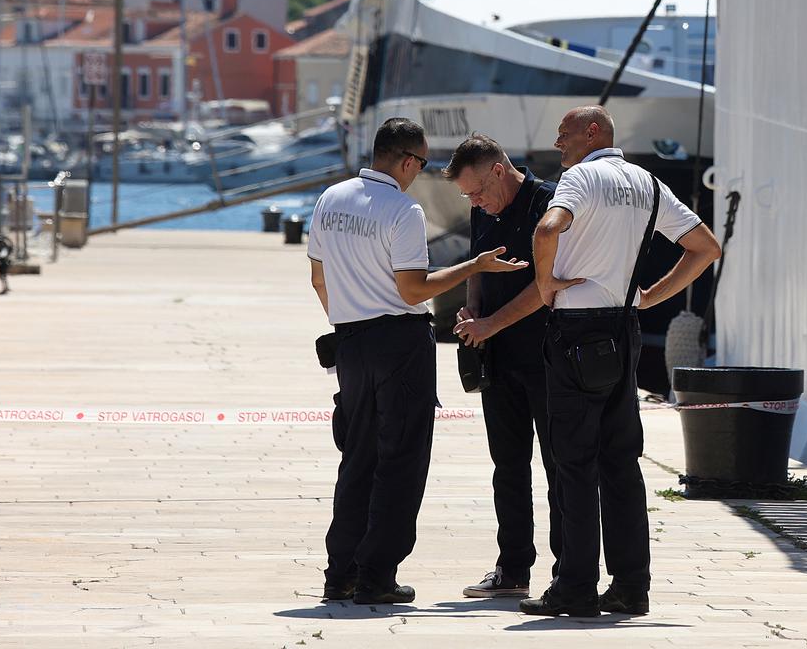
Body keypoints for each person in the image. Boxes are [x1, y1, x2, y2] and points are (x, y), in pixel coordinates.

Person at [309, 117, 525, 606]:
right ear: (408, 161)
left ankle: (339, 570)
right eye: (422, 164)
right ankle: (377, 575)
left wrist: (350, 322)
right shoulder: (403, 210)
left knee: (357, 456)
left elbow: (319, 280)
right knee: (401, 460)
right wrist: (476, 264)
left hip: (350, 341)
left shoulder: (331, 199)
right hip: (399, 343)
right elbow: (413, 289)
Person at [519, 105, 722, 619]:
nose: (558, 144)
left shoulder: (581, 177)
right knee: (621, 463)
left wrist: (544, 285)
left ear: (592, 133)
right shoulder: (648, 183)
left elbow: (547, 229)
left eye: (564, 134)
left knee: (574, 463)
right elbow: (705, 247)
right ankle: (632, 586)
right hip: (624, 329)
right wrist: (652, 296)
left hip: (575, 332)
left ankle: (575, 588)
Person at [443, 134, 561, 599]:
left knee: (559, 468)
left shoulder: (547, 204)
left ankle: (566, 570)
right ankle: (512, 569)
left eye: (476, 191)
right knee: (507, 467)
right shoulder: (481, 210)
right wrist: (473, 313)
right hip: (497, 360)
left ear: (498, 170)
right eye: (467, 197)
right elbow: (478, 267)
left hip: (545, 357)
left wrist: (492, 323)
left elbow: (545, 285)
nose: (474, 202)